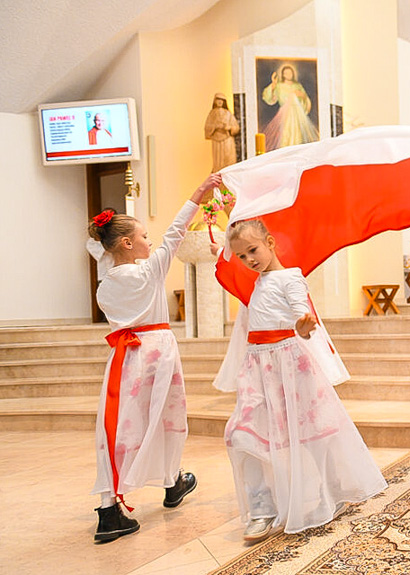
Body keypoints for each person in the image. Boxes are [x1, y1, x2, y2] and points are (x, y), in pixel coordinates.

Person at [219, 219, 386, 542]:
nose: (249, 260)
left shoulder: (289, 277)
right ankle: (261, 508)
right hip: (257, 366)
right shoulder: (257, 282)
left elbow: (299, 311)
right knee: (241, 434)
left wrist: (303, 326)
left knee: (310, 435)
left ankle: (334, 488)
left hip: (288, 364)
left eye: (252, 250)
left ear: (270, 242)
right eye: (241, 256)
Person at [86, 173, 220, 543]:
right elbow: (177, 232)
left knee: (118, 425)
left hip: (124, 359)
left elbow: (99, 251)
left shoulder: (105, 285)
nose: (151, 241)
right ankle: (171, 482)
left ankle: (109, 506)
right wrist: (197, 193)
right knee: (168, 417)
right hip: (157, 352)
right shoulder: (148, 273)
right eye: (144, 236)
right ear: (128, 243)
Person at [261, 64, 319, 151]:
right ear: (283, 75)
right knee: (286, 134)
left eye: (290, 72)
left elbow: (305, 100)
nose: (288, 74)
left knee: (298, 135)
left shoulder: (298, 86)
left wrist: (302, 95)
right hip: (286, 113)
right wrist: (273, 84)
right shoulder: (279, 86)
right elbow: (271, 99)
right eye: (286, 73)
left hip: (297, 114)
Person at [204, 93, 240, 172]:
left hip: (227, 140)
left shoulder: (228, 114)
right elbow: (207, 127)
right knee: (217, 162)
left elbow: (236, 127)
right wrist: (215, 127)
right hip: (216, 141)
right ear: (215, 101)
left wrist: (229, 128)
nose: (220, 102)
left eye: (221, 100)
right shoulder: (212, 114)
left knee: (228, 160)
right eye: (218, 99)